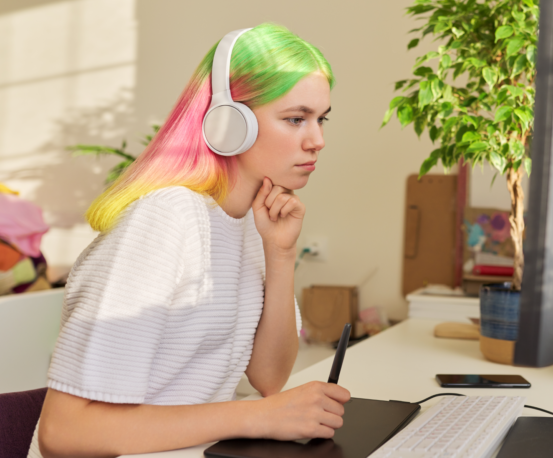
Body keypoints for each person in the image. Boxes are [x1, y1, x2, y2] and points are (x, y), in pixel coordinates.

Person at [29, 23, 351, 458]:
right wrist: (260, 416)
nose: (318, 141)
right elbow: (65, 433)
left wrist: (281, 254)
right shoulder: (166, 218)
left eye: (320, 119)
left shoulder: (251, 220)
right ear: (228, 122)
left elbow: (269, 378)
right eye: (296, 119)